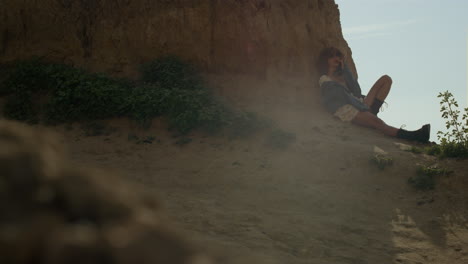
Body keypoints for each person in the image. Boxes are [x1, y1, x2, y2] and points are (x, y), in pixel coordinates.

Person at [317, 47, 430, 143]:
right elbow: (340, 99)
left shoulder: (343, 76)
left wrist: (345, 69)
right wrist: (362, 106)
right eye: (332, 56)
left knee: (386, 79)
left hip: (358, 103)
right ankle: (416, 136)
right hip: (346, 109)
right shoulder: (325, 80)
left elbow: (356, 90)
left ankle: (372, 112)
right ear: (325, 60)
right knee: (378, 123)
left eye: (338, 56)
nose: (336, 58)